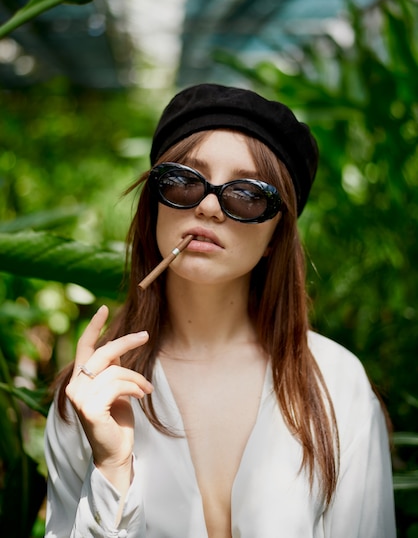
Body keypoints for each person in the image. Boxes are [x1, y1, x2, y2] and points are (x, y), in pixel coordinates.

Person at [44, 83, 396, 538]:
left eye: (247, 194)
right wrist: (112, 469)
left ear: (276, 237)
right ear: (154, 204)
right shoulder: (94, 395)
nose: (209, 206)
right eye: (184, 181)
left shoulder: (335, 381)